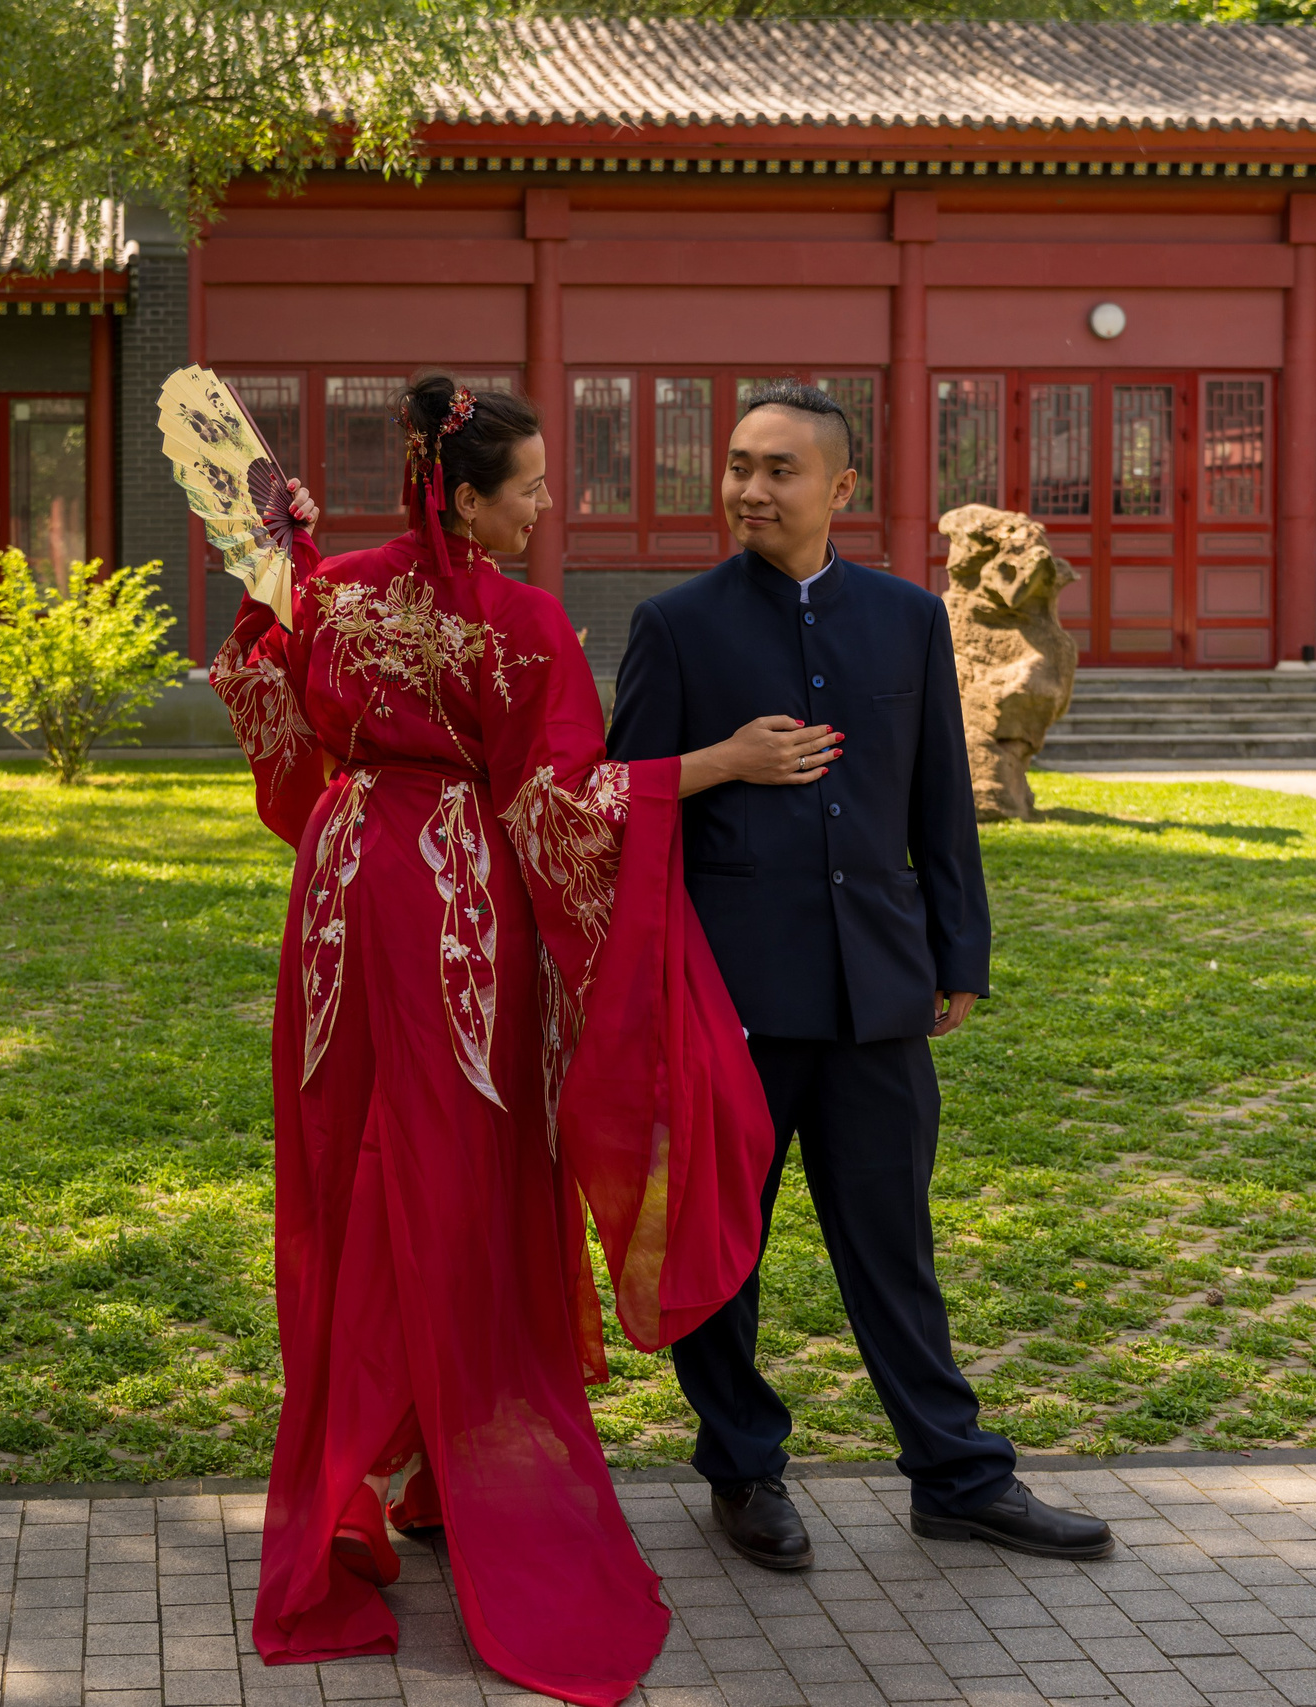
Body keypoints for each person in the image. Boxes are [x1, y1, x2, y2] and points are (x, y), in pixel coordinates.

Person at [168, 370, 840, 1705]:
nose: (549, 506)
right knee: (458, 1176)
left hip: (344, 891)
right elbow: (562, 804)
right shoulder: (522, 624)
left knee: (349, 1164)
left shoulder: (339, 588)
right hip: (459, 909)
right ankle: (442, 1470)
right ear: (464, 498)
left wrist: (275, 580)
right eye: (529, 485)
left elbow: (263, 701)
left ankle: (367, 1475)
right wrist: (715, 763)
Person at [607, 381, 1114, 1569]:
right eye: (737, 464)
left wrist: (958, 951)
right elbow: (623, 811)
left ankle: (954, 1475)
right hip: (730, 995)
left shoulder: (904, 620)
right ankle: (741, 1468)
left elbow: (941, 798)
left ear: (839, 489)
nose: (749, 487)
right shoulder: (675, 624)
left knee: (892, 1240)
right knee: (721, 1250)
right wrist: (722, 765)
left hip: (878, 985)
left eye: (780, 469)